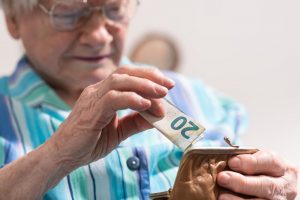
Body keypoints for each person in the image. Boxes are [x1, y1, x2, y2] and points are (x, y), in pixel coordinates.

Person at [0, 0, 297, 199]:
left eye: (114, 9)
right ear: (13, 18)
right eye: (67, 14)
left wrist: (273, 185)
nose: (99, 35)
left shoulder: (198, 97)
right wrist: (56, 155)